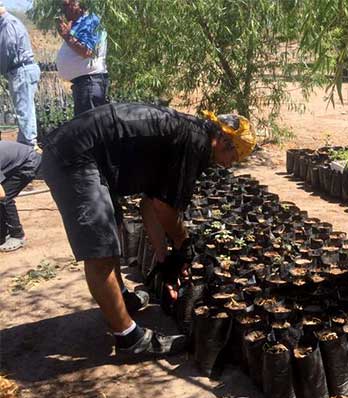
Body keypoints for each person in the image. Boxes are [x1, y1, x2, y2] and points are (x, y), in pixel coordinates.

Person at [41, 103, 255, 356]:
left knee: (111, 232)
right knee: (100, 253)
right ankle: (130, 339)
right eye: (234, 157)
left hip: (85, 153)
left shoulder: (189, 134)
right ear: (223, 142)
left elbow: (150, 205)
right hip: (75, 156)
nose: (230, 165)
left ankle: (121, 299)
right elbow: (165, 208)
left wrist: (165, 261)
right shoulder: (195, 143)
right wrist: (182, 246)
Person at [56, 0, 109, 116]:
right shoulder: (78, 23)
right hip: (83, 84)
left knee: (90, 128)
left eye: (66, 5)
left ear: (78, 4)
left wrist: (66, 35)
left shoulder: (90, 21)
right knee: (85, 128)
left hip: (90, 83)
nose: (62, 10)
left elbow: (87, 51)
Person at [0, 3, 41, 148]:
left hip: (20, 70)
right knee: (27, 109)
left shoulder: (7, 24)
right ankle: (25, 145)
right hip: (25, 69)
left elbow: (6, 52)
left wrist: (1, 69)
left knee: (24, 111)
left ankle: (30, 147)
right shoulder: (11, 22)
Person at [0, 140, 41, 251]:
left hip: (28, 163)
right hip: (16, 162)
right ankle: (3, 233)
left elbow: (2, 195)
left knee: (5, 199)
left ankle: (17, 235)